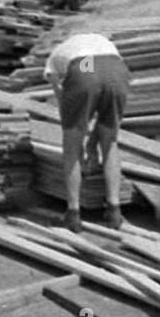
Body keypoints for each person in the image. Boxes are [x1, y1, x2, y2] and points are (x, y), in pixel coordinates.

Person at [42, 26, 131, 232]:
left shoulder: (58, 55)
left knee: (71, 147)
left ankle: (73, 214)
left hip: (86, 66)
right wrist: (93, 146)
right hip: (116, 69)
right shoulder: (105, 45)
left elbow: (62, 96)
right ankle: (114, 210)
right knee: (110, 143)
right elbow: (101, 115)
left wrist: (79, 139)